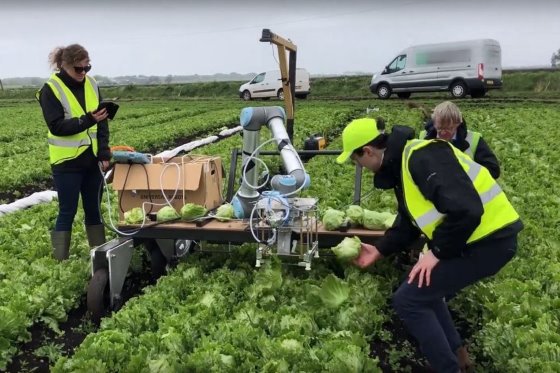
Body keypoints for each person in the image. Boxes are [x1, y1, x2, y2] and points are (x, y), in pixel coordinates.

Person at [336, 118, 523, 373]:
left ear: (368, 151)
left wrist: (436, 253)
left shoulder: (422, 158)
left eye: (357, 161)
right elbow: (408, 222)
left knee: (408, 299)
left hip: (491, 241)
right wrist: (379, 249)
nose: (360, 167)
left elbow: (466, 210)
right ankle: (459, 358)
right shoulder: (403, 164)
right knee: (424, 285)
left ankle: (448, 368)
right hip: (474, 240)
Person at [37, 44, 111, 260]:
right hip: (67, 163)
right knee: (67, 211)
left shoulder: (92, 84)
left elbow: (103, 122)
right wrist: (88, 119)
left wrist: (104, 153)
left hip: (92, 161)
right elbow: (57, 126)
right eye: (78, 69)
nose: (83, 73)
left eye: (86, 68)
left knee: (94, 210)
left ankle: (99, 256)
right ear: (64, 65)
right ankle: (60, 261)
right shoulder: (50, 89)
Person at [420, 101, 500, 179]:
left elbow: (493, 170)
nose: (443, 133)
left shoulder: (474, 139)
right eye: (440, 128)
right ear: (434, 123)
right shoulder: (423, 138)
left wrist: (462, 174)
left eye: (449, 128)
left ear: (458, 123)